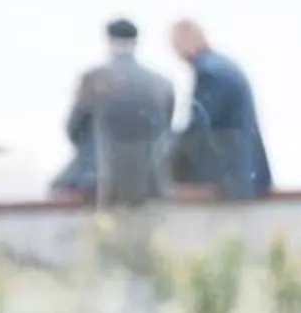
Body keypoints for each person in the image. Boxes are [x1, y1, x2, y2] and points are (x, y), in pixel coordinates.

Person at [56, 18, 178, 205]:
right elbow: (167, 128)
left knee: (58, 188)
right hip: (152, 180)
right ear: (136, 42)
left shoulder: (95, 79)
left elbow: (73, 129)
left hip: (101, 178)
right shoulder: (162, 83)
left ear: (109, 41)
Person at [170, 18, 273, 199]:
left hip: (227, 177)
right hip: (245, 172)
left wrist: (169, 154)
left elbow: (200, 125)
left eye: (175, 44)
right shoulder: (223, 65)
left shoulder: (209, 73)